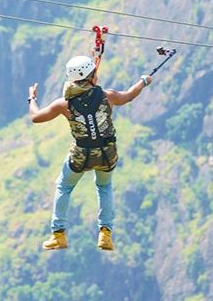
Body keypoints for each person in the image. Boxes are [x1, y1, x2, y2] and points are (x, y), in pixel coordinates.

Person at [28, 55, 152, 251]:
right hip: (107, 153)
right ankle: (105, 234)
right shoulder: (107, 96)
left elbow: (36, 117)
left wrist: (32, 98)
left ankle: (58, 234)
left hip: (81, 155)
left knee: (64, 187)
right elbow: (128, 95)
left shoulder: (64, 104)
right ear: (92, 75)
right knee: (104, 187)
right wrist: (144, 81)